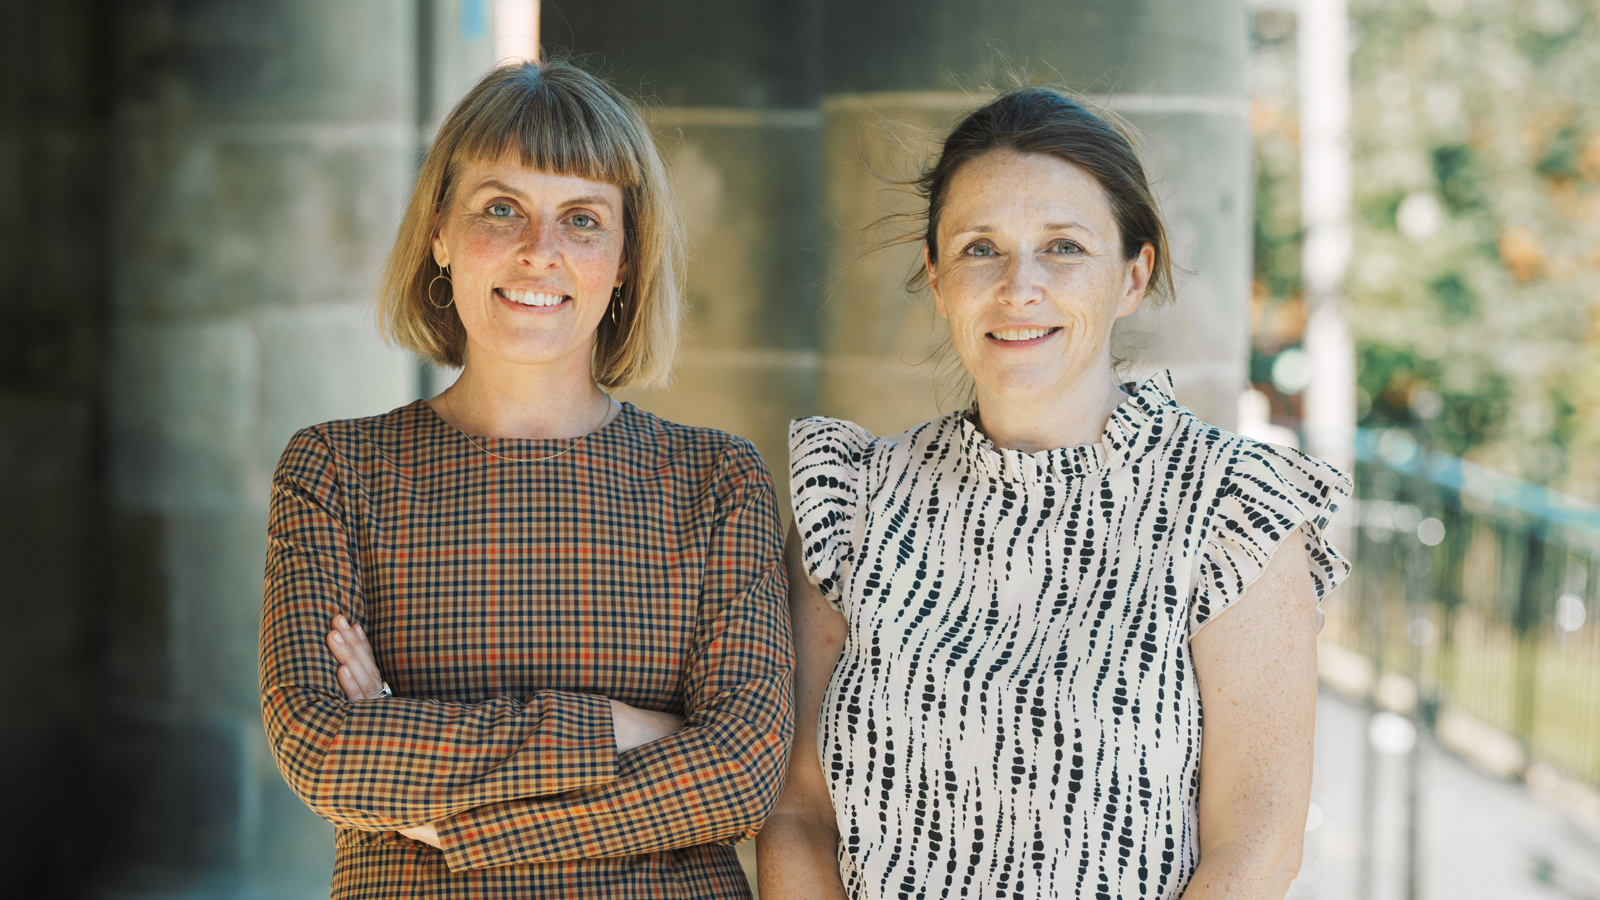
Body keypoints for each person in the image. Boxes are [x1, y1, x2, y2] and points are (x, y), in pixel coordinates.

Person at [756, 86, 1351, 900]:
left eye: (1064, 247)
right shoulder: (851, 503)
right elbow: (798, 813)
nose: (1018, 286)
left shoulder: (1229, 512)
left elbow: (1256, 845)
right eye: (979, 249)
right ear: (936, 279)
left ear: (1133, 276)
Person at [259, 60, 793, 899]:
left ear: (625, 259)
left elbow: (740, 773)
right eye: (500, 208)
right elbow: (322, 748)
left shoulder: (716, 479)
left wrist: (434, 811)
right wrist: (623, 730)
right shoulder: (335, 471)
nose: (539, 252)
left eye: (582, 219)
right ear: (438, 231)